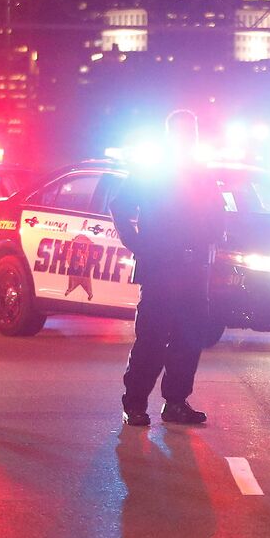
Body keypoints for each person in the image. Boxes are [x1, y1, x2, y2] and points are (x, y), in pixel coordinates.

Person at [112, 110, 225, 427]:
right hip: (161, 267)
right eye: (182, 132)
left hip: (195, 269)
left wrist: (214, 234)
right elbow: (120, 204)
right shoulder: (152, 172)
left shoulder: (201, 172)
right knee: (151, 338)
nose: (188, 138)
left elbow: (217, 211)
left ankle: (176, 402)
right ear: (170, 136)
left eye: (192, 132)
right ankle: (135, 403)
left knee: (189, 340)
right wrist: (136, 242)